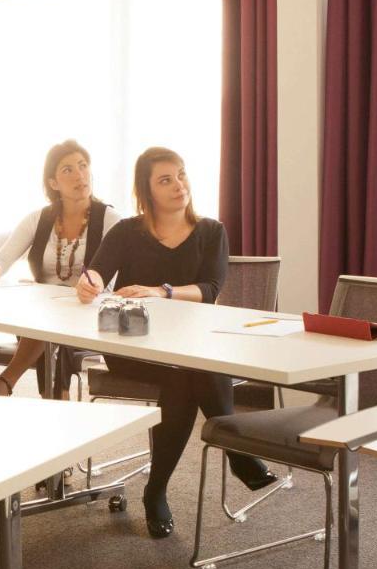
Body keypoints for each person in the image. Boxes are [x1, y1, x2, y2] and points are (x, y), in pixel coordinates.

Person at [76, 146, 275, 538]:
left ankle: (157, 491)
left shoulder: (211, 232)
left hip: (189, 346)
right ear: (146, 190)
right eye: (165, 179)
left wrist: (161, 291)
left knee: (185, 373)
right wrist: (91, 283)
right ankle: (237, 450)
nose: (178, 184)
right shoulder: (127, 232)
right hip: (134, 347)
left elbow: (211, 288)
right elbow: (97, 272)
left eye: (181, 174)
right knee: (192, 369)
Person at [0, 140, 119, 397]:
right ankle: (51, 399)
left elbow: (110, 276)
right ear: (53, 183)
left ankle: (8, 383)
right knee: (45, 320)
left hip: (92, 310)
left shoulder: (111, 220)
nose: (79, 175)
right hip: (42, 314)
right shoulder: (38, 219)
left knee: (47, 322)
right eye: (68, 170)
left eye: (83, 166)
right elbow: (1, 261)